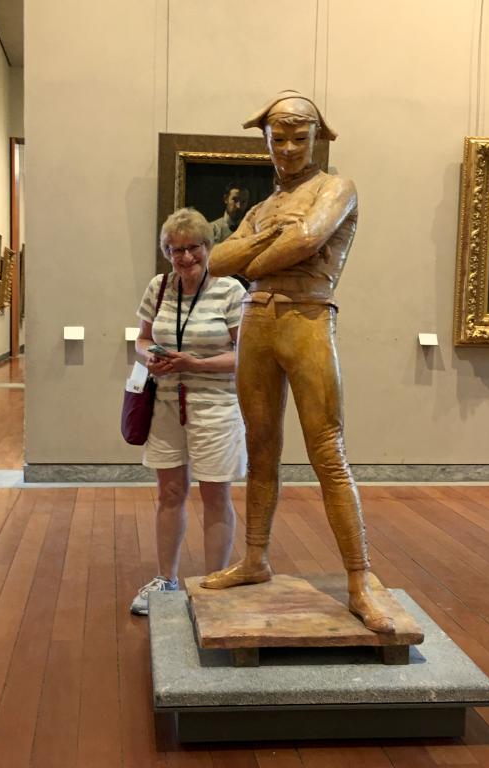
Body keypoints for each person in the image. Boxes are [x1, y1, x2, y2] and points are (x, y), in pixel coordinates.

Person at [201, 90, 395, 634]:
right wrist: (273, 241)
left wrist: (261, 252)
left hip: (309, 319)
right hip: (258, 322)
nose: (287, 147)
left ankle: (360, 580)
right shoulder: (263, 209)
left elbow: (308, 238)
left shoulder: (337, 188)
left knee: (327, 450)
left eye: (298, 136)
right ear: (265, 140)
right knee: (260, 447)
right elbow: (217, 260)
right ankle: (255, 558)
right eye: (277, 137)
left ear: (317, 138)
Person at [130, 207, 247, 615]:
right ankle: (166, 580)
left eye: (193, 248)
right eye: (175, 249)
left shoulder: (231, 291)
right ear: (167, 252)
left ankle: (213, 587)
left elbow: (244, 354)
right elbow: (142, 340)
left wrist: (193, 364)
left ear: (208, 247)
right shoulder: (158, 287)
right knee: (170, 493)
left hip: (215, 406)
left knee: (216, 495)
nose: (185, 258)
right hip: (165, 406)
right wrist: (151, 359)